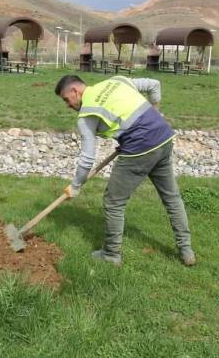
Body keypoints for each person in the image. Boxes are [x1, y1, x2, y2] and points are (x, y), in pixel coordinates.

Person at [55, 74, 196, 266]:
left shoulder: (87, 113)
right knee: (172, 197)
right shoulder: (116, 81)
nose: (67, 105)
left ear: (75, 91)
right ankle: (186, 250)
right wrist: (154, 113)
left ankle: (111, 255)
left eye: (66, 99)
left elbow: (87, 159)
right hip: (163, 137)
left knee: (114, 202)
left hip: (140, 148)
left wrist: (76, 185)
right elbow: (154, 84)